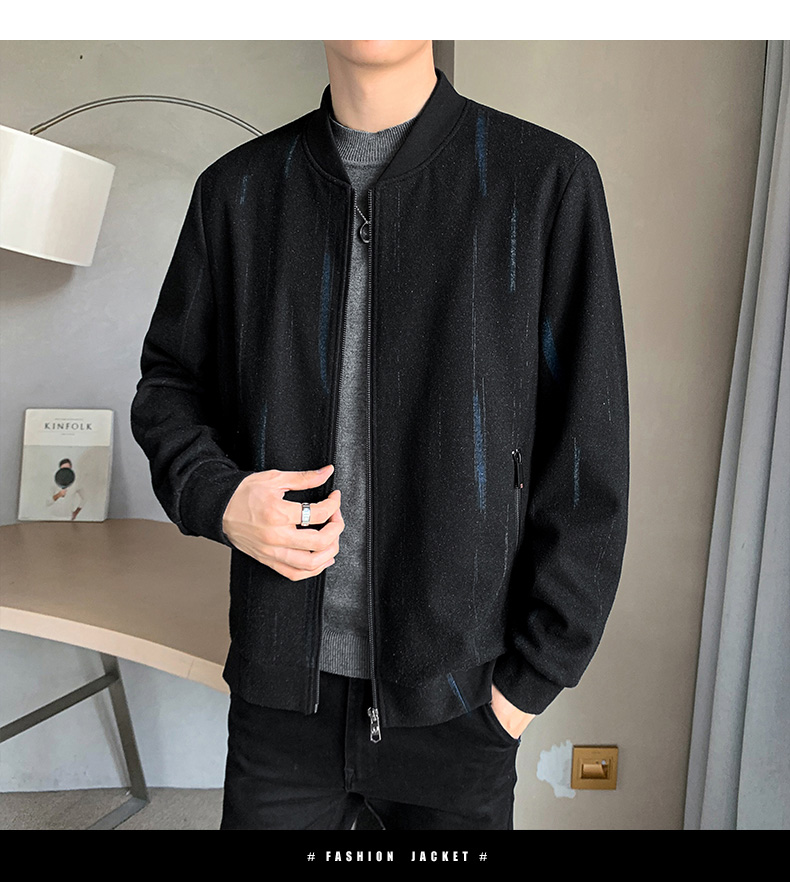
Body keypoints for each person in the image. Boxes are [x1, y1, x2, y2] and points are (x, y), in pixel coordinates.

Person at [130, 40, 630, 830]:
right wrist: (220, 498)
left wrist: (527, 685)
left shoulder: (543, 181)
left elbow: (587, 451)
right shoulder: (238, 191)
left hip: (464, 703)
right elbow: (169, 387)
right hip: (279, 700)